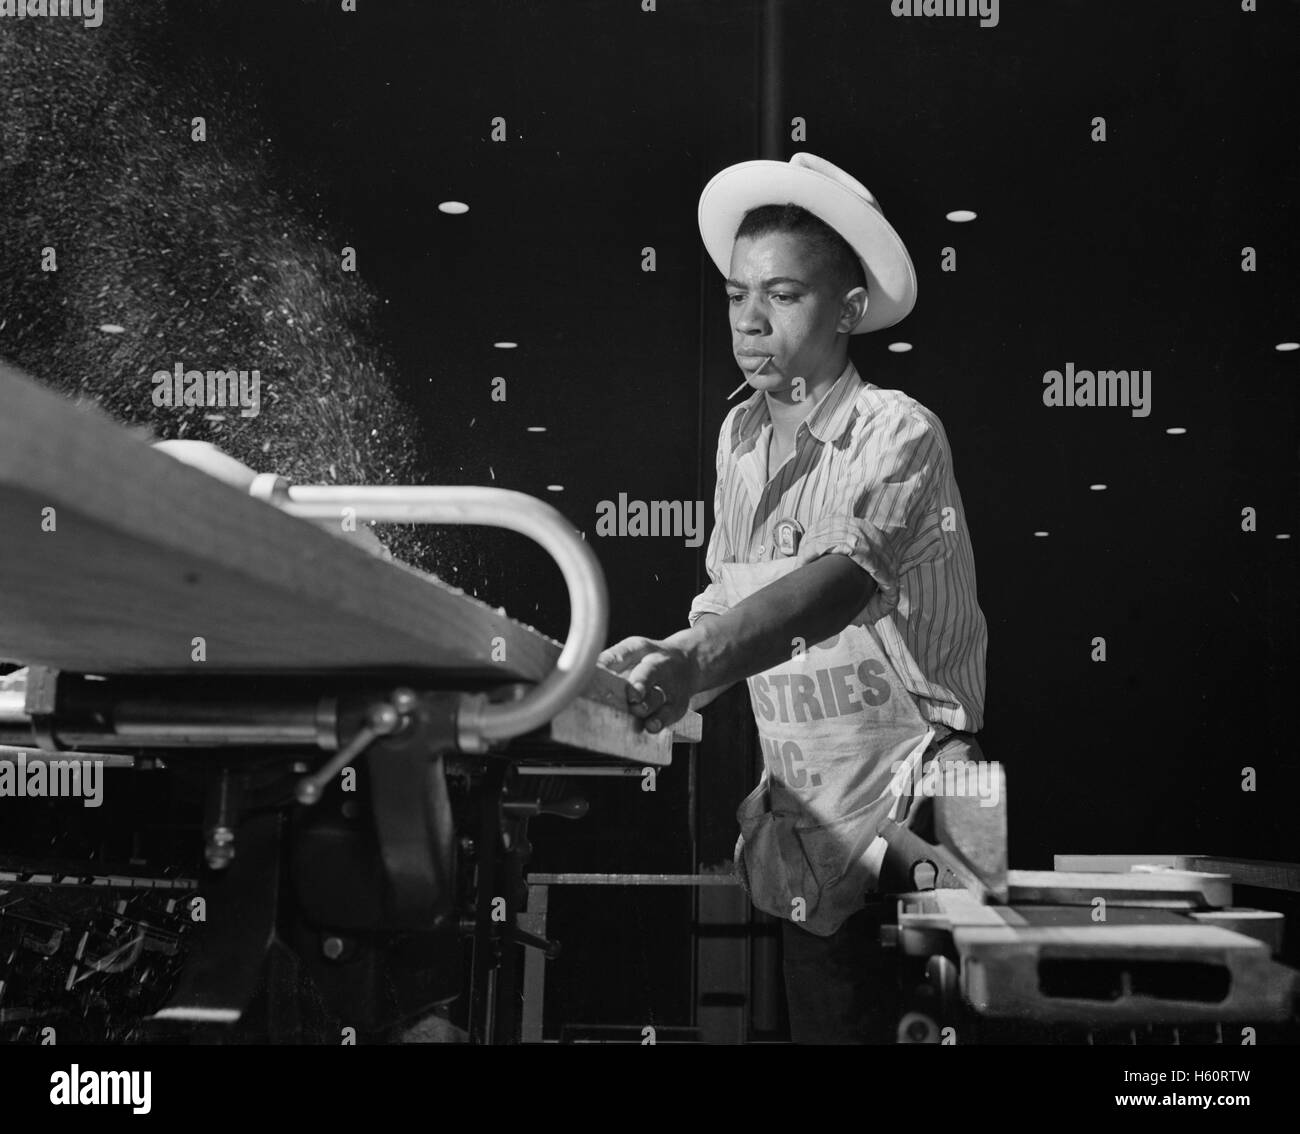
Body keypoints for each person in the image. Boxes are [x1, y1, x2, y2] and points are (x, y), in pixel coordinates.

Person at [598, 152, 988, 1044]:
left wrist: (699, 657)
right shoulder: (739, 435)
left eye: (783, 295)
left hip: (927, 804)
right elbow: (732, 592)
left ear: (849, 311)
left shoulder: (900, 430)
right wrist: (670, 666)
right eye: (738, 295)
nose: (750, 321)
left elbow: (833, 586)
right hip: (807, 808)